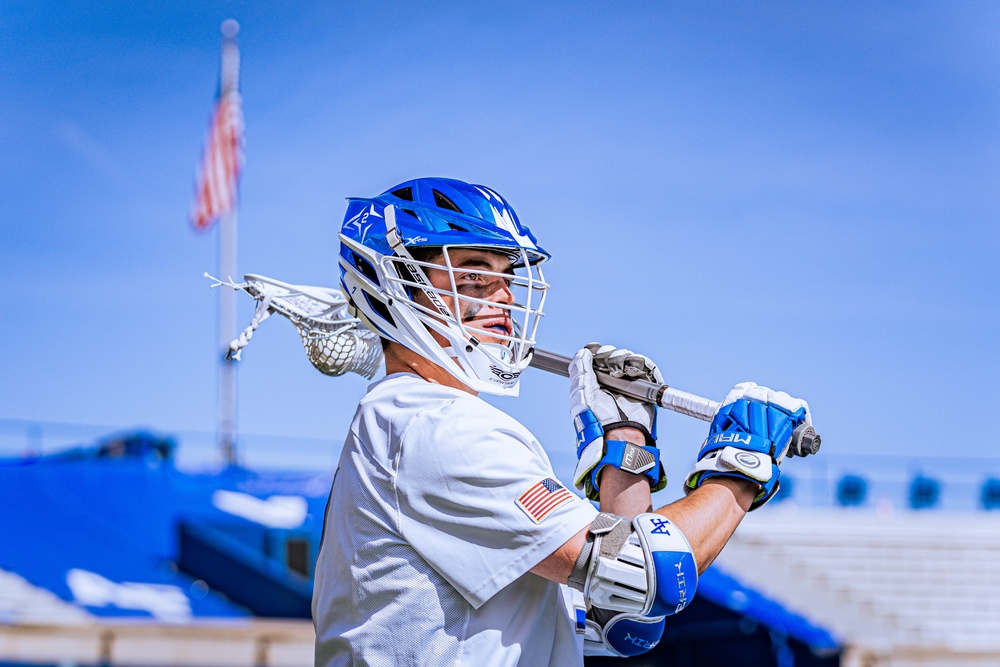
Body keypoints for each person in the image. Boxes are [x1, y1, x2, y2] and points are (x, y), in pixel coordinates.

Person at [312, 177, 812, 666]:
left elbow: (627, 619)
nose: (505, 297)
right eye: (473, 276)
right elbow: (650, 573)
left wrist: (625, 441)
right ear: (395, 286)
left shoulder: (408, 422)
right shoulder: (439, 427)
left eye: (506, 277)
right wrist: (741, 463)